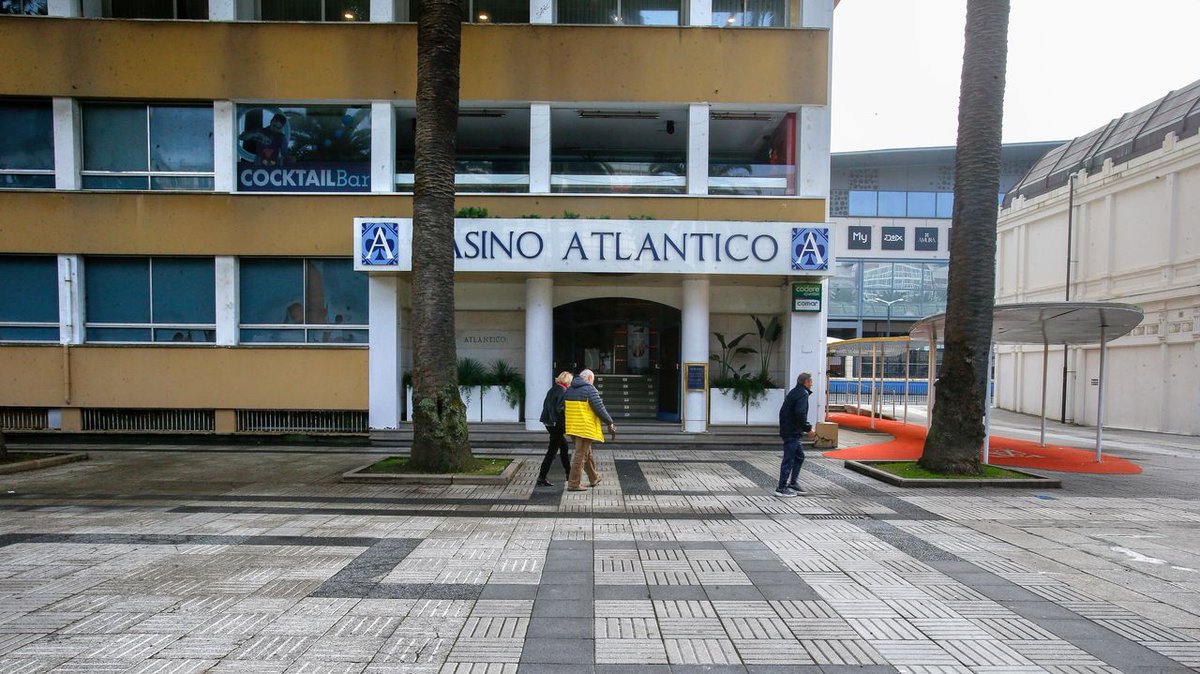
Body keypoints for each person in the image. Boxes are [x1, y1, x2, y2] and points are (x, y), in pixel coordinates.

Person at [563, 369, 615, 492]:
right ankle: (574, 484)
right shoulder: (590, 389)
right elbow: (600, 408)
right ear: (590, 378)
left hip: (573, 427)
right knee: (580, 456)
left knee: (587, 453)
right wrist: (610, 422)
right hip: (584, 428)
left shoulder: (569, 389)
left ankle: (594, 478)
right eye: (593, 380)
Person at [775, 372, 814, 498]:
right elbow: (800, 413)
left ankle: (792, 483)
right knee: (789, 459)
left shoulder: (795, 391)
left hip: (790, 429)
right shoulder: (802, 394)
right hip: (792, 431)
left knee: (799, 456)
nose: (812, 384)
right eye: (810, 381)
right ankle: (781, 488)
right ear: (806, 382)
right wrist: (808, 429)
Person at [536, 371, 574, 487]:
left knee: (564, 447)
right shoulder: (563, 391)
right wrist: (564, 426)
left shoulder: (554, 389)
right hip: (556, 425)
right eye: (570, 381)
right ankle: (542, 477)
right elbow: (560, 410)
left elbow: (546, 405)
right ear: (567, 381)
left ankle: (569, 473)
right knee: (552, 451)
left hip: (549, 423)